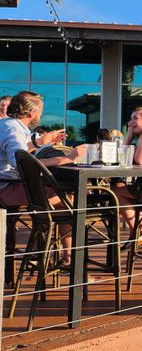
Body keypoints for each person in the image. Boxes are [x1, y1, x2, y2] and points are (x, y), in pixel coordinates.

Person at [0, 91, 88, 266]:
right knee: (70, 200)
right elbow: (21, 163)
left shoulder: (7, 124)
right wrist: (68, 158)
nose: (41, 115)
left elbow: (18, 151)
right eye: (40, 111)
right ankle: (59, 257)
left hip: (9, 184)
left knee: (62, 200)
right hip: (6, 188)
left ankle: (48, 252)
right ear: (32, 113)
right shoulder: (13, 130)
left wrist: (39, 142)